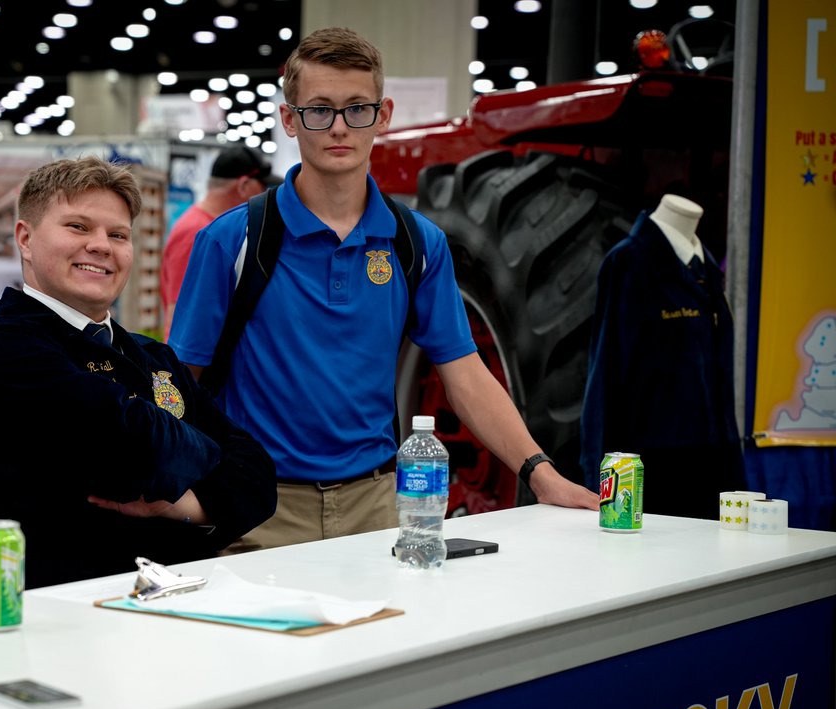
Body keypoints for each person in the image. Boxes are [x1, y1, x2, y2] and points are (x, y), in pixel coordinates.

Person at [169, 27, 598, 552]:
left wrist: (539, 472)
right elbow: (180, 381)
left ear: (384, 114)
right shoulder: (232, 241)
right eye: (319, 110)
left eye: (357, 108)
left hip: (378, 509)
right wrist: (171, 487)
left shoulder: (417, 243)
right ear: (289, 119)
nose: (339, 128)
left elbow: (464, 372)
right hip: (259, 510)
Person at [0, 156, 276, 603]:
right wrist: (200, 455)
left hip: (160, 619)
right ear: (26, 239)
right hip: (37, 620)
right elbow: (137, 449)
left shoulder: (154, 356)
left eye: (118, 234)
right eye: (77, 227)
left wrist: (179, 502)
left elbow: (259, 475)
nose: (101, 245)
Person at [580, 193, 745, 518]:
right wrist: (597, 478)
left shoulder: (707, 272)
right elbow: (604, 377)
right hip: (654, 481)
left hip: (715, 471)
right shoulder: (628, 265)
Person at [160, 147, 282, 338]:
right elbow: (179, 310)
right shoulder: (196, 230)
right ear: (243, 186)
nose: (264, 194)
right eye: (261, 186)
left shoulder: (218, 227)